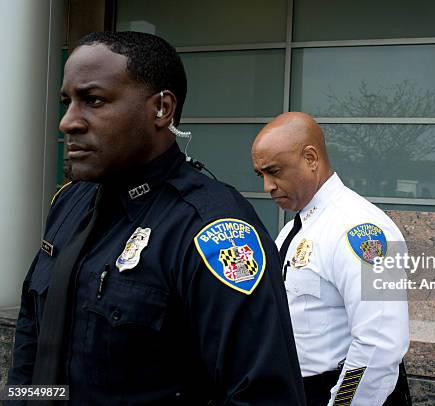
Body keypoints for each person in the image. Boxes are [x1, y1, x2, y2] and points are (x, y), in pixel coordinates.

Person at [8, 31, 306, 405]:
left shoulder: (214, 231)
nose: (68, 122)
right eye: (67, 103)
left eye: (93, 101)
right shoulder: (69, 202)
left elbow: (263, 395)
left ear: (162, 109)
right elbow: (34, 339)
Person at [251, 112, 411, 406]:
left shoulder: (365, 230)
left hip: (339, 394)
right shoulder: (292, 230)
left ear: (311, 158)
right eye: (260, 175)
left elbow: (379, 346)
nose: (267, 186)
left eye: (274, 171)